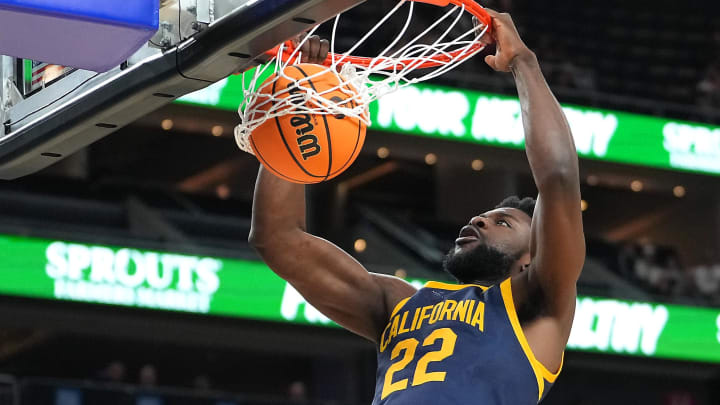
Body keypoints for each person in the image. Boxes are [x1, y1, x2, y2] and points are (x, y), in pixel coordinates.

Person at [249, 9, 585, 405]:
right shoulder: (399, 304)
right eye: (486, 215)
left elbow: (558, 177)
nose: (478, 218)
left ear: (532, 258)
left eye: (503, 223)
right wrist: (300, 104)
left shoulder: (538, 305)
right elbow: (277, 239)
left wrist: (523, 62)